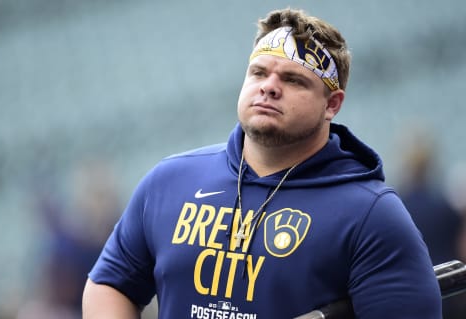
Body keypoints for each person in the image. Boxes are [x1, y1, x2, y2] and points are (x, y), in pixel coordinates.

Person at [82, 8, 442, 318]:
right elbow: (110, 284)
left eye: (293, 79)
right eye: (258, 73)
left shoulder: (372, 215)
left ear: (332, 105)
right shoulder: (169, 181)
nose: (269, 87)